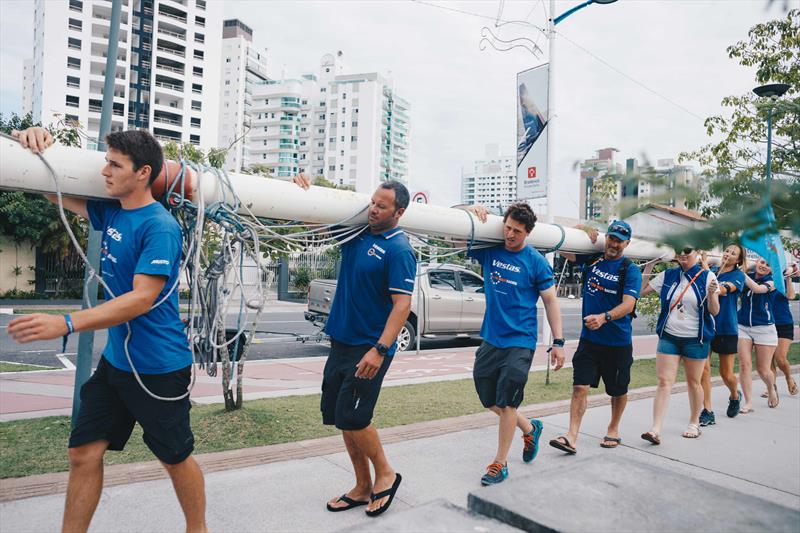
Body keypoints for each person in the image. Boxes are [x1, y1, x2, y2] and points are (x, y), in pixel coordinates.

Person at [7, 127, 207, 532]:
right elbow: (54, 191)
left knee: (174, 457)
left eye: (115, 164)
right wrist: (31, 141)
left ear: (142, 172)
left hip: (159, 368)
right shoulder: (112, 210)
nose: (105, 171)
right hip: (116, 365)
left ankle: (198, 529)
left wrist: (65, 322)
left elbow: (140, 299)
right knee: (83, 452)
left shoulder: (160, 227)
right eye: (106, 161)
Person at [293, 173, 414, 516]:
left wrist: (380, 350)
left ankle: (386, 474)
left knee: (355, 416)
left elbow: (402, 306)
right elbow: (313, 224)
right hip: (341, 341)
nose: (373, 209)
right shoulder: (356, 232)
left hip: (369, 348)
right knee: (340, 417)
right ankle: (362, 486)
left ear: (399, 212)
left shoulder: (399, 250)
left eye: (382, 206)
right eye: (372, 203)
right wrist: (306, 191)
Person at [463, 203, 565, 485]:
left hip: (521, 340)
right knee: (490, 400)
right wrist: (472, 211)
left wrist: (558, 341)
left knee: (507, 402)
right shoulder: (490, 250)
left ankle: (500, 463)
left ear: (528, 232)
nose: (509, 234)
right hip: (491, 338)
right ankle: (530, 428)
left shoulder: (535, 262)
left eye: (517, 231)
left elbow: (551, 301)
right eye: (507, 227)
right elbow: (453, 235)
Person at [549, 221, 643, 454]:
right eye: (611, 238)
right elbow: (560, 247)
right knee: (579, 386)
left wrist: (605, 317)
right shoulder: (592, 259)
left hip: (618, 342)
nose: (614, 243)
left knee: (618, 390)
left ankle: (613, 428)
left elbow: (629, 304)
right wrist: (579, 229)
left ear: (627, 243)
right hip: (589, 341)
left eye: (619, 240)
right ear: (606, 238)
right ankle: (571, 437)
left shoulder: (629, 270)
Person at [640, 247, 720, 443]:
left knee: (694, 382)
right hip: (669, 336)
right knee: (664, 382)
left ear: (697, 253)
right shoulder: (668, 275)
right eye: (679, 251)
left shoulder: (707, 276)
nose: (682, 254)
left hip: (696, 339)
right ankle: (655, 429)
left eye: (687, 250)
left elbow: (714, 311)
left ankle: (694, 423)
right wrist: (649, 265)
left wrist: (711, 294)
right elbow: (641, 292)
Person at [700, 244, 747, 422]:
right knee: (703, 370)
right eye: (727, 251)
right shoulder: (712, 269)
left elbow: (718, 289)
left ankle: (735, 395)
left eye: (733, 253)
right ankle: (707, 411)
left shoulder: (738, 276)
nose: (728, 254)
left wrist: (704, 267)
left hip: (726, 328)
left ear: (739, 260)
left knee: (726, 374)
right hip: (706, 325)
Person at [738, 258, 780, 412]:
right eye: (762, 262)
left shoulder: (773, 282)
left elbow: (757, 289)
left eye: (768, 265)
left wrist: (741, 273)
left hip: (764, 328)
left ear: (771, 269)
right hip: (742, 325)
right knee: (744, 365)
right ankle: (748, 402)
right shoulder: (747, 275)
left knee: (763, 370)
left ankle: (771, 388)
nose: (763, 266)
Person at [768, 264, 798, 397]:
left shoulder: (782, 280)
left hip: (784, 323)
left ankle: (788, 378)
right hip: (766, 324)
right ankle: (772, 387)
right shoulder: (764, 281)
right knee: (768, 359)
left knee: (780, 357)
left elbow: (791, 296)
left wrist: (788, 278)